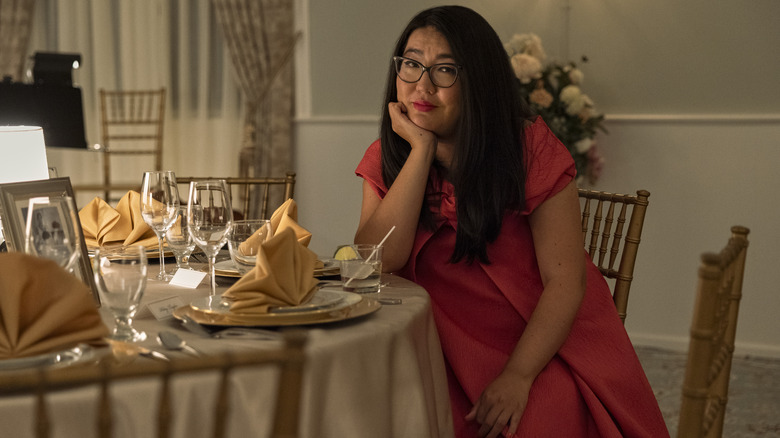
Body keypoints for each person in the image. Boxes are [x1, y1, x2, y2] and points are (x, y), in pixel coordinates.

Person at [354, 6, 669, 438]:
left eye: (445, 70)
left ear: (478, 81)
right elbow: (377, 260)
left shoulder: (529, 148)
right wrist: (420, 151)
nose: (421, 85)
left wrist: (519, 377)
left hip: (538, 345)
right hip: (439, 349)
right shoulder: (388, 156)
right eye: (411, 64)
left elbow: (565, 283)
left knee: (540, 420)